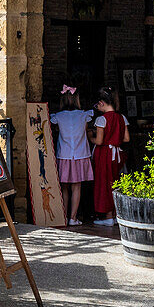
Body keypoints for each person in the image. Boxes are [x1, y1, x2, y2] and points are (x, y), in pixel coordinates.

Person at [49, 85, 93, 226]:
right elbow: (86, 130)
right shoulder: (84, 115)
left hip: (64, 155)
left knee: (64, 187)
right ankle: (73, 217)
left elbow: (55, 129)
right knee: (77, 187)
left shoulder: (58, 117)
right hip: (80, 154)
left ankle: (63, 216)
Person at [91, 86, 128, 226]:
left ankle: (107, 216)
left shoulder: (102, 119)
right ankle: (115, 214)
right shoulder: (121, 117)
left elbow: (99, 141)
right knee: (115, 182)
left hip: (105, 154)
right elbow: (126, 139)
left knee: (104, 183)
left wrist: (90, 138)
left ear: (102, 102)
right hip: (117, 153)